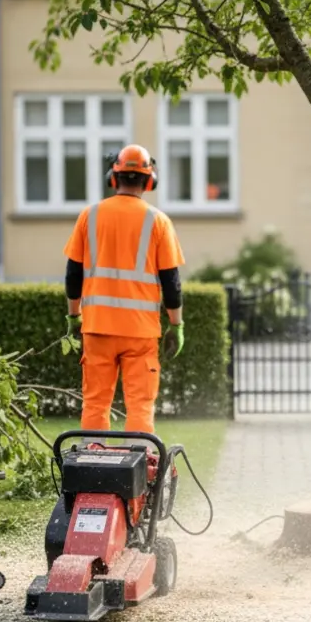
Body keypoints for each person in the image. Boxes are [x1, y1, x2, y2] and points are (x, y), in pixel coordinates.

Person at [63, 144, 186, 435]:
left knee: (95, 403)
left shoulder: (89, 216)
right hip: (140, 333)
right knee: (140, 406)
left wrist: (73, 318)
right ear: (149, 181)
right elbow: (172, 282)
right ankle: (141, 470)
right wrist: (176, 325)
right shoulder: (159, 221)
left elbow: (72, 275)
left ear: (114, 178)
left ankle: (93, 465)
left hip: (97, 329)